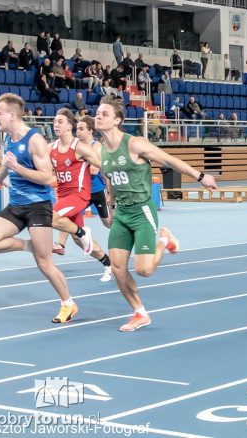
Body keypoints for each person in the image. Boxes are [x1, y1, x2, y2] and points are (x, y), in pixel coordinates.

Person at [94, 95, 217, 331]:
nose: (98, 116)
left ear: (117, 120)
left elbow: (169, 160)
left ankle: (164, 239)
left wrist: (201, 177)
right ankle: (140, 313)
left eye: (104, 113)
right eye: (98, 112)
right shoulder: (102, 150)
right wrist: (110, 207)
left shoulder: (134, 144)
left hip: (141, 212)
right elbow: (111, 179)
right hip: (121, 214)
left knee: (144, 270)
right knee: (118, 268)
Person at [0, 93, 78, 323]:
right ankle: (33, 246)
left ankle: (68, 304)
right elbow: (8, 162)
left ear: (12, 115)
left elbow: (45, 177)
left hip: (38, 207)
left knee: (44, 263)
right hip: (16, 206)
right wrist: (0, 175)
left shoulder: (34, 140)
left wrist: (15, 167)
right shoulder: (8, 138)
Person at [48, 108, 113, 281]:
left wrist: (111, 193)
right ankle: (108, 264)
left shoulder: (81, 148)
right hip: (63, 197)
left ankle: (83, 233)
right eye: (54, 122)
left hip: (79, 195)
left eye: (60, 122)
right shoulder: (51, 148)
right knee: (78, 240)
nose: (56, 125)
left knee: (50, 216)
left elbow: (103, 167)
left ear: (70, 126)